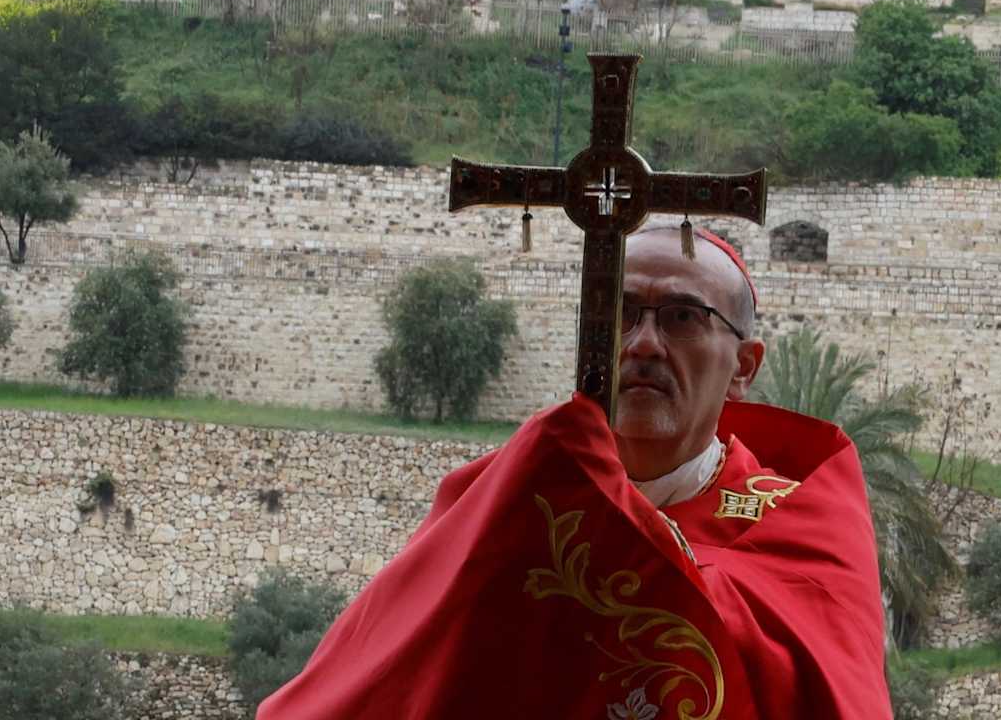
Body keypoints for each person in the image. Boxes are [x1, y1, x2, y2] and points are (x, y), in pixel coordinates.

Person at [260, 225, 890, 719]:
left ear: (745, 366)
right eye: (619, 314)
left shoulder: (805, 521)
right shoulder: (505, 499)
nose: (642, 343)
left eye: (681, 317)